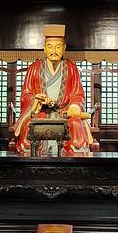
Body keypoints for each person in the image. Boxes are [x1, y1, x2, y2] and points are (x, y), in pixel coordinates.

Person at [13, 24, 93, 154]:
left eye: (58, 47)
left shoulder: (71, 68)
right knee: (29, 125)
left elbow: (78, 93)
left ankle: (74, 159)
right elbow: (26, 94)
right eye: (50, 47)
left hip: (64, 112)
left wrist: (75, 105)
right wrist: (36, 100)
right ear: (44, 48)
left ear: (64, 48)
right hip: (41, 111)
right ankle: (32, 159)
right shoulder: (34, 68)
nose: (53, 51)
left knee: (76, 124)